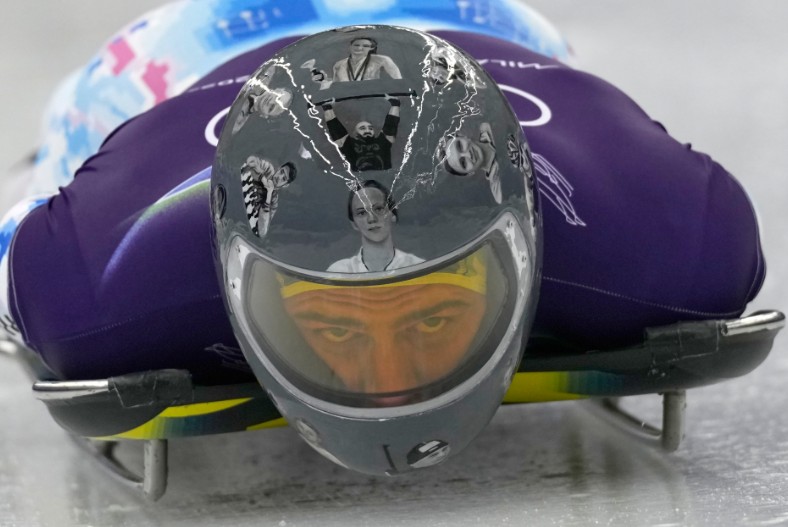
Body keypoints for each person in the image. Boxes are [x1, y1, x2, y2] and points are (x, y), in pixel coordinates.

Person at [0, 4, 765, 474]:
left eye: (431, 315)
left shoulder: (664, 235)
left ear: (526, 246)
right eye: (334, 323)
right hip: (177, 60)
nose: (391, 383)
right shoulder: (98, 277)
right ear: (233, 272)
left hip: (477, 32)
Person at [327, 180, 424, 272]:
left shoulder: (418, 267)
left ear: (393, 215)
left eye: (378, 209)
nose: (372, 219)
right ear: (354, 224)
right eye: (362, 213)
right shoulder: (339, 272)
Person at [322, 97, 400, 171]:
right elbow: (334, 126)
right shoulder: (348, 144)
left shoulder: (382, 141)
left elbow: (391, 125)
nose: (368, 130)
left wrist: (395, 104)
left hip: (384, 178)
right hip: (360, 179)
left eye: (370, 128)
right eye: (362, 128)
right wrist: (327, 107)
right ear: (354, 133)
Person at [437, 123, 502, 203]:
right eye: (463, 163)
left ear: (463, 136)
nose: (468, 154)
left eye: (460, 146)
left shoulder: (488, 127)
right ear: (469, 173)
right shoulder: (498, 191)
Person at [240, 156, 296, 237]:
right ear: (279, 168)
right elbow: (250, 160)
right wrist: (262, 177)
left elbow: (262, 231)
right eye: (281, 172)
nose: (279, 177)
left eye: (283, 178)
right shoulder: (269, 169)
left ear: (285, 185)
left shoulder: (273, 202)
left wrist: (269, 195)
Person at [331, 37, 402, 83]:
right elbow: (335, 86)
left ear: (372, 48)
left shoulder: (383, 60)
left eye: (365, 46)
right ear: (350, 46)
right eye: (356, 45)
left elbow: (398, 81)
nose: (359, 48)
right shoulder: (339, 64)